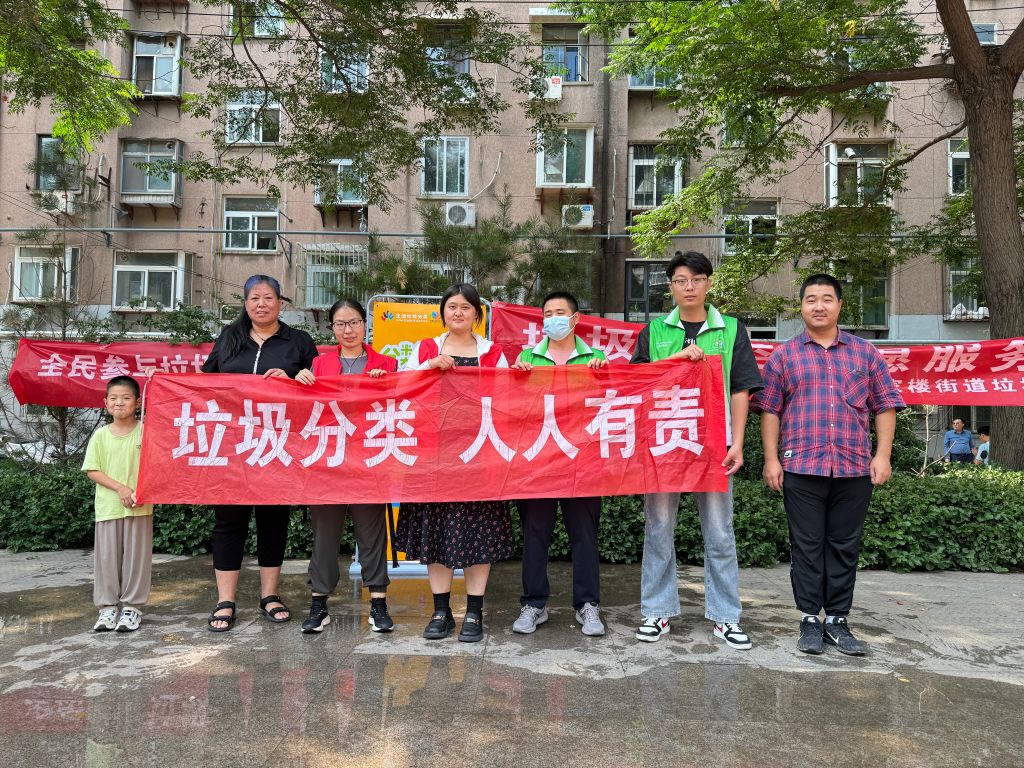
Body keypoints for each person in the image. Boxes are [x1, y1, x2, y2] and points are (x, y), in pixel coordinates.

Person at [757, 274, 904, 656]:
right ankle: (809, 619)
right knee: (806, 546)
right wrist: (771, 459)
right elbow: (770, 411)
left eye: (826, 299)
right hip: (801, 467)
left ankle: (838, 620)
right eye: (811, 299)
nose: (818, 306)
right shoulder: (784, 356)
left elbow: (885, 405)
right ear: (801, 307)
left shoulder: (865, 354)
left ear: (840, 305)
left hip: (853, 468)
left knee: (844, 546)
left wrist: (882, 455)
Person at [629, 251, 762, 649]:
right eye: (681, 280)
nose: (689, 287)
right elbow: (637, 383)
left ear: (709, 283)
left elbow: (741, 388)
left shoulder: (731, 329)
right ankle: (657, 611)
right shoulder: (654, 331)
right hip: (665, 444)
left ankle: (726, 617)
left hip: (714, 445)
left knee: (720, 532)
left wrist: (737, 442)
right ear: (670, 286)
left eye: (697, 279)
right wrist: (676, 358)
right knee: (658, 529)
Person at [395, 283, 513, 642]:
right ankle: (441, 612)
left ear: (477, 314)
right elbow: (402, 389)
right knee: (437, 532)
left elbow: (509, 398)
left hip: (480, 454)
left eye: (465, 307)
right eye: (451, 307)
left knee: (479, 533)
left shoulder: (493, 353)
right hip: (434, 456)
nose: (458, 313)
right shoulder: (425, 349)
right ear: (442, 313)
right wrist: (428, 367)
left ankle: (474, 612)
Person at [201, 275, 318, 631]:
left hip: (277, 445)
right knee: (228, 522)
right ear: (245, 303)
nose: (261, 304)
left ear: (281, 302)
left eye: (268, 298)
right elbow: (204, 384)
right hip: (233, 446)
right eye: (254, 298)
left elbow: (320, 389)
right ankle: (225, 601)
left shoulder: (298, 341)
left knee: (273, 520)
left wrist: (292, 380)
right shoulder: (229, 338)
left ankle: (270, 595)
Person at [295, 298, 398, 634]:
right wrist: (299, 380)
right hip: (329, 461)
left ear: (365, 325)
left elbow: (398, 405)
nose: (348, 330)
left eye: (354, 322)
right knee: (325, 536)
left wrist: (386, 383)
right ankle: (318, 604)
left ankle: (378, 604)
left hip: (369, 461)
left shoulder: (387, 363)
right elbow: (306, 407)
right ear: (332, 328)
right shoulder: (319, 364)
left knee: (372, 535)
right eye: (340, 324)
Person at [510, 291, 609, 637]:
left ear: (575, 318)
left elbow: (610, 403)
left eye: (560, 312)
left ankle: (587, 605)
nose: (553, 319)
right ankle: (534, 604)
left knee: (584, 535)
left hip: (583, 461)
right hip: (538, 460)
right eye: (548, 313)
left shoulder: (595, 357)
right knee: (535, 533)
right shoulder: (527, 357)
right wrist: (516, 378)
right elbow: (514, 408)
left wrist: (604, 376)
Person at [82, 376, 153, 632]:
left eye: (126, 398)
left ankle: (132, 608)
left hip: (139, 506)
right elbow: (92, 470)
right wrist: (121, 488)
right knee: (107, 560)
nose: (119, 403)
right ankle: (107, 608)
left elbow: (157, 466)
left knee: (136, 559)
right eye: (113, 398)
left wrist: (140, 491)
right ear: (106, 403)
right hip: (108, 508)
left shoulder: (147, 431)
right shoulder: (101, 435)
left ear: (138, 402)